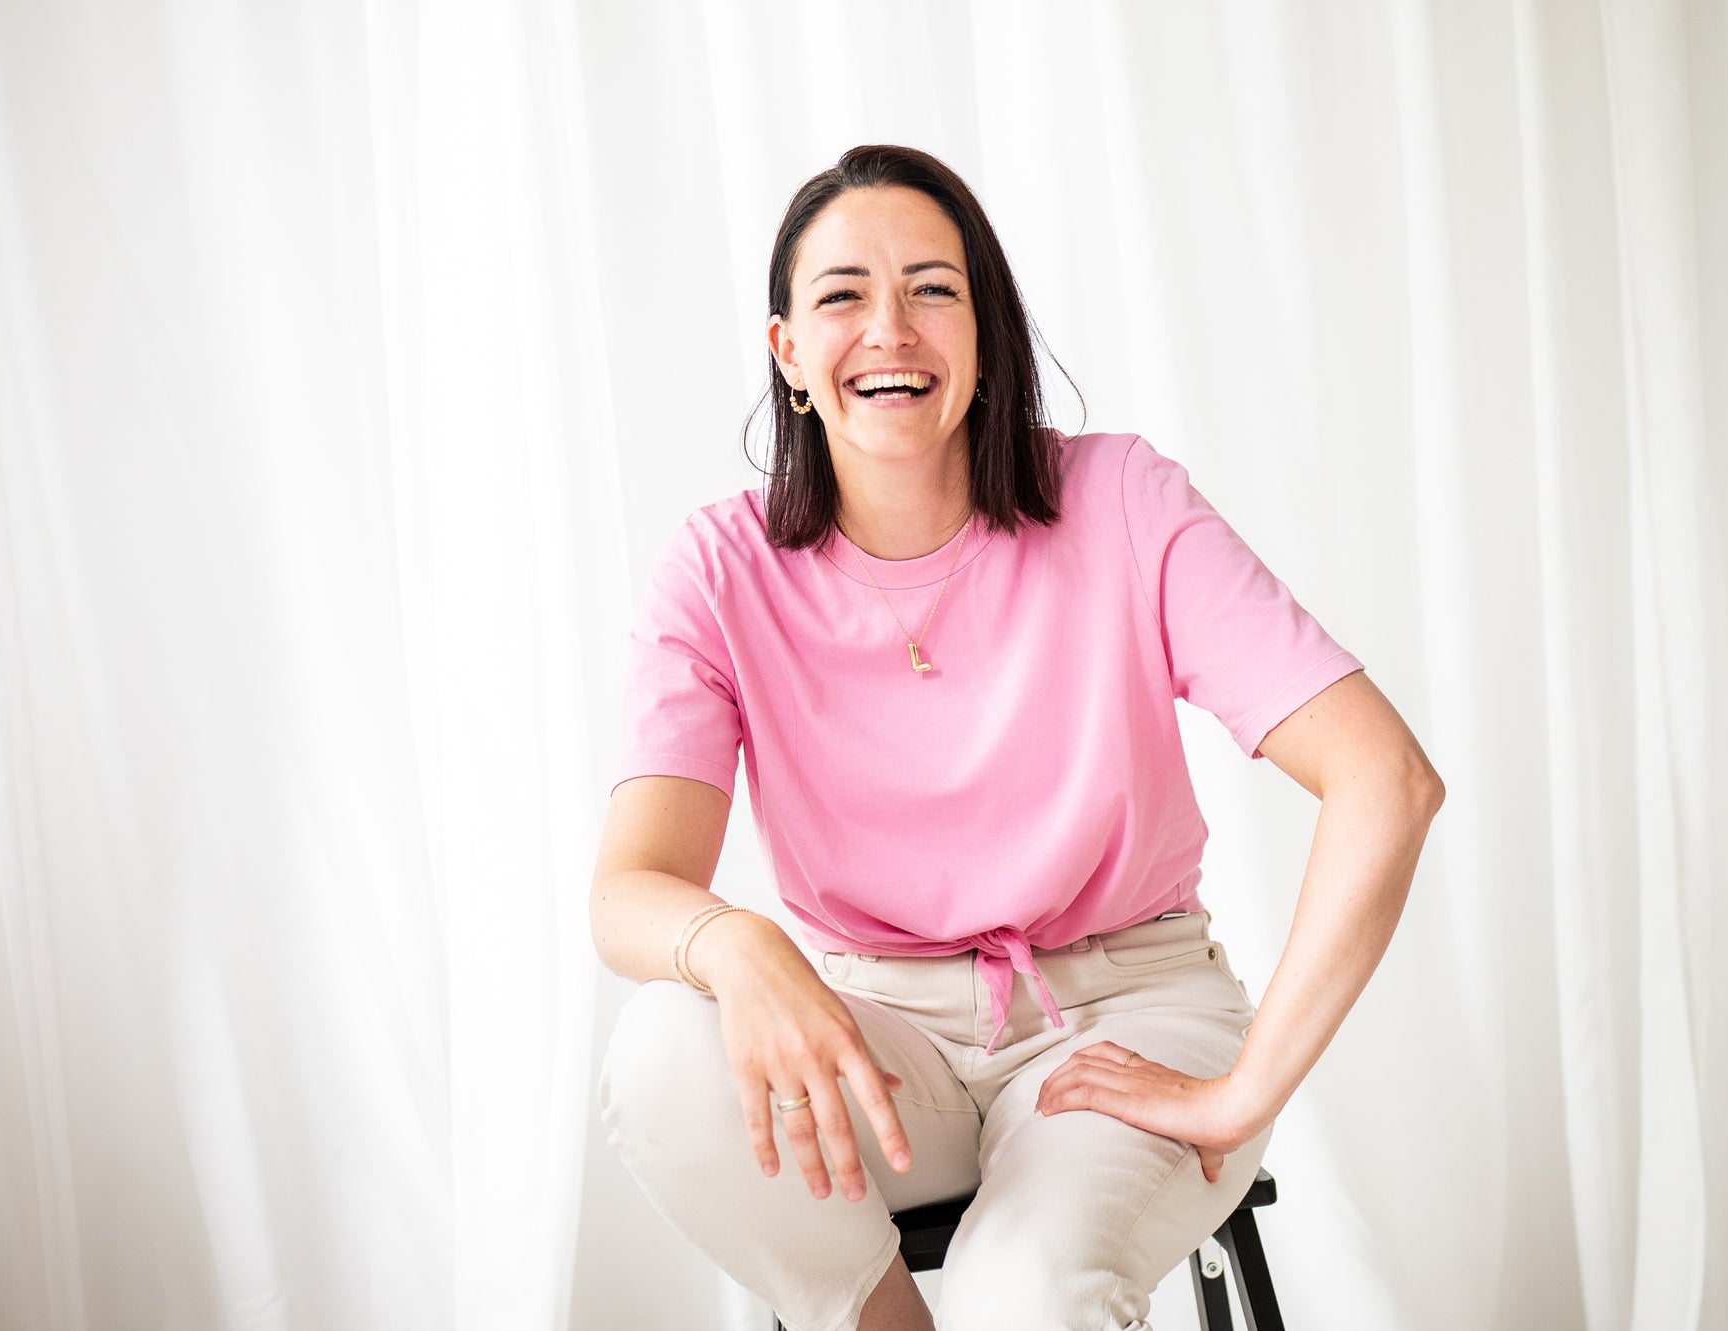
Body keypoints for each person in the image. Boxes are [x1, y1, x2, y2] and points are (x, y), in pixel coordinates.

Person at [591, 144, 1444, 1331]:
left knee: (1029, 1294)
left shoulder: (1119, 499)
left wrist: (1243, 1088)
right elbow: (629, 888)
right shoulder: (718, 567)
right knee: (659, 1048)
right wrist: (736, 943)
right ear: (786, 351)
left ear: (986, 333)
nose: (889, 329)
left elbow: (1382, 777)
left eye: (931, 288)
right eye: (842, 295)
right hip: (883, 1035)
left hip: (1123, 1013)